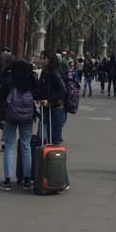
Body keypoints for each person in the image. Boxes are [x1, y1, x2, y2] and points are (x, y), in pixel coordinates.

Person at [0, 59, 37, 191]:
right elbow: (37, 93)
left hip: (11, 115)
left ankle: (7, 180)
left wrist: (0, 115)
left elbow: (1, 96)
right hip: (27, 117)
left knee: (9, 146)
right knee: (26, 145)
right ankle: (26, 179)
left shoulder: (9, 78)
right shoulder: (31, 78)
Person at [36, 49, 70, 189]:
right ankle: (47, 176)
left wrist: (49, 101)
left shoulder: (55, 73)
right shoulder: (44, 73)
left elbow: (62, 91)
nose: (42, 61)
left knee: (55, 144)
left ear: (50, 60)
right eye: (41, 58)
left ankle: (63, 180)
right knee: (43, 142)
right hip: (46, 111)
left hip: (56, 111)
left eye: (44, 58)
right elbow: (41, 89)